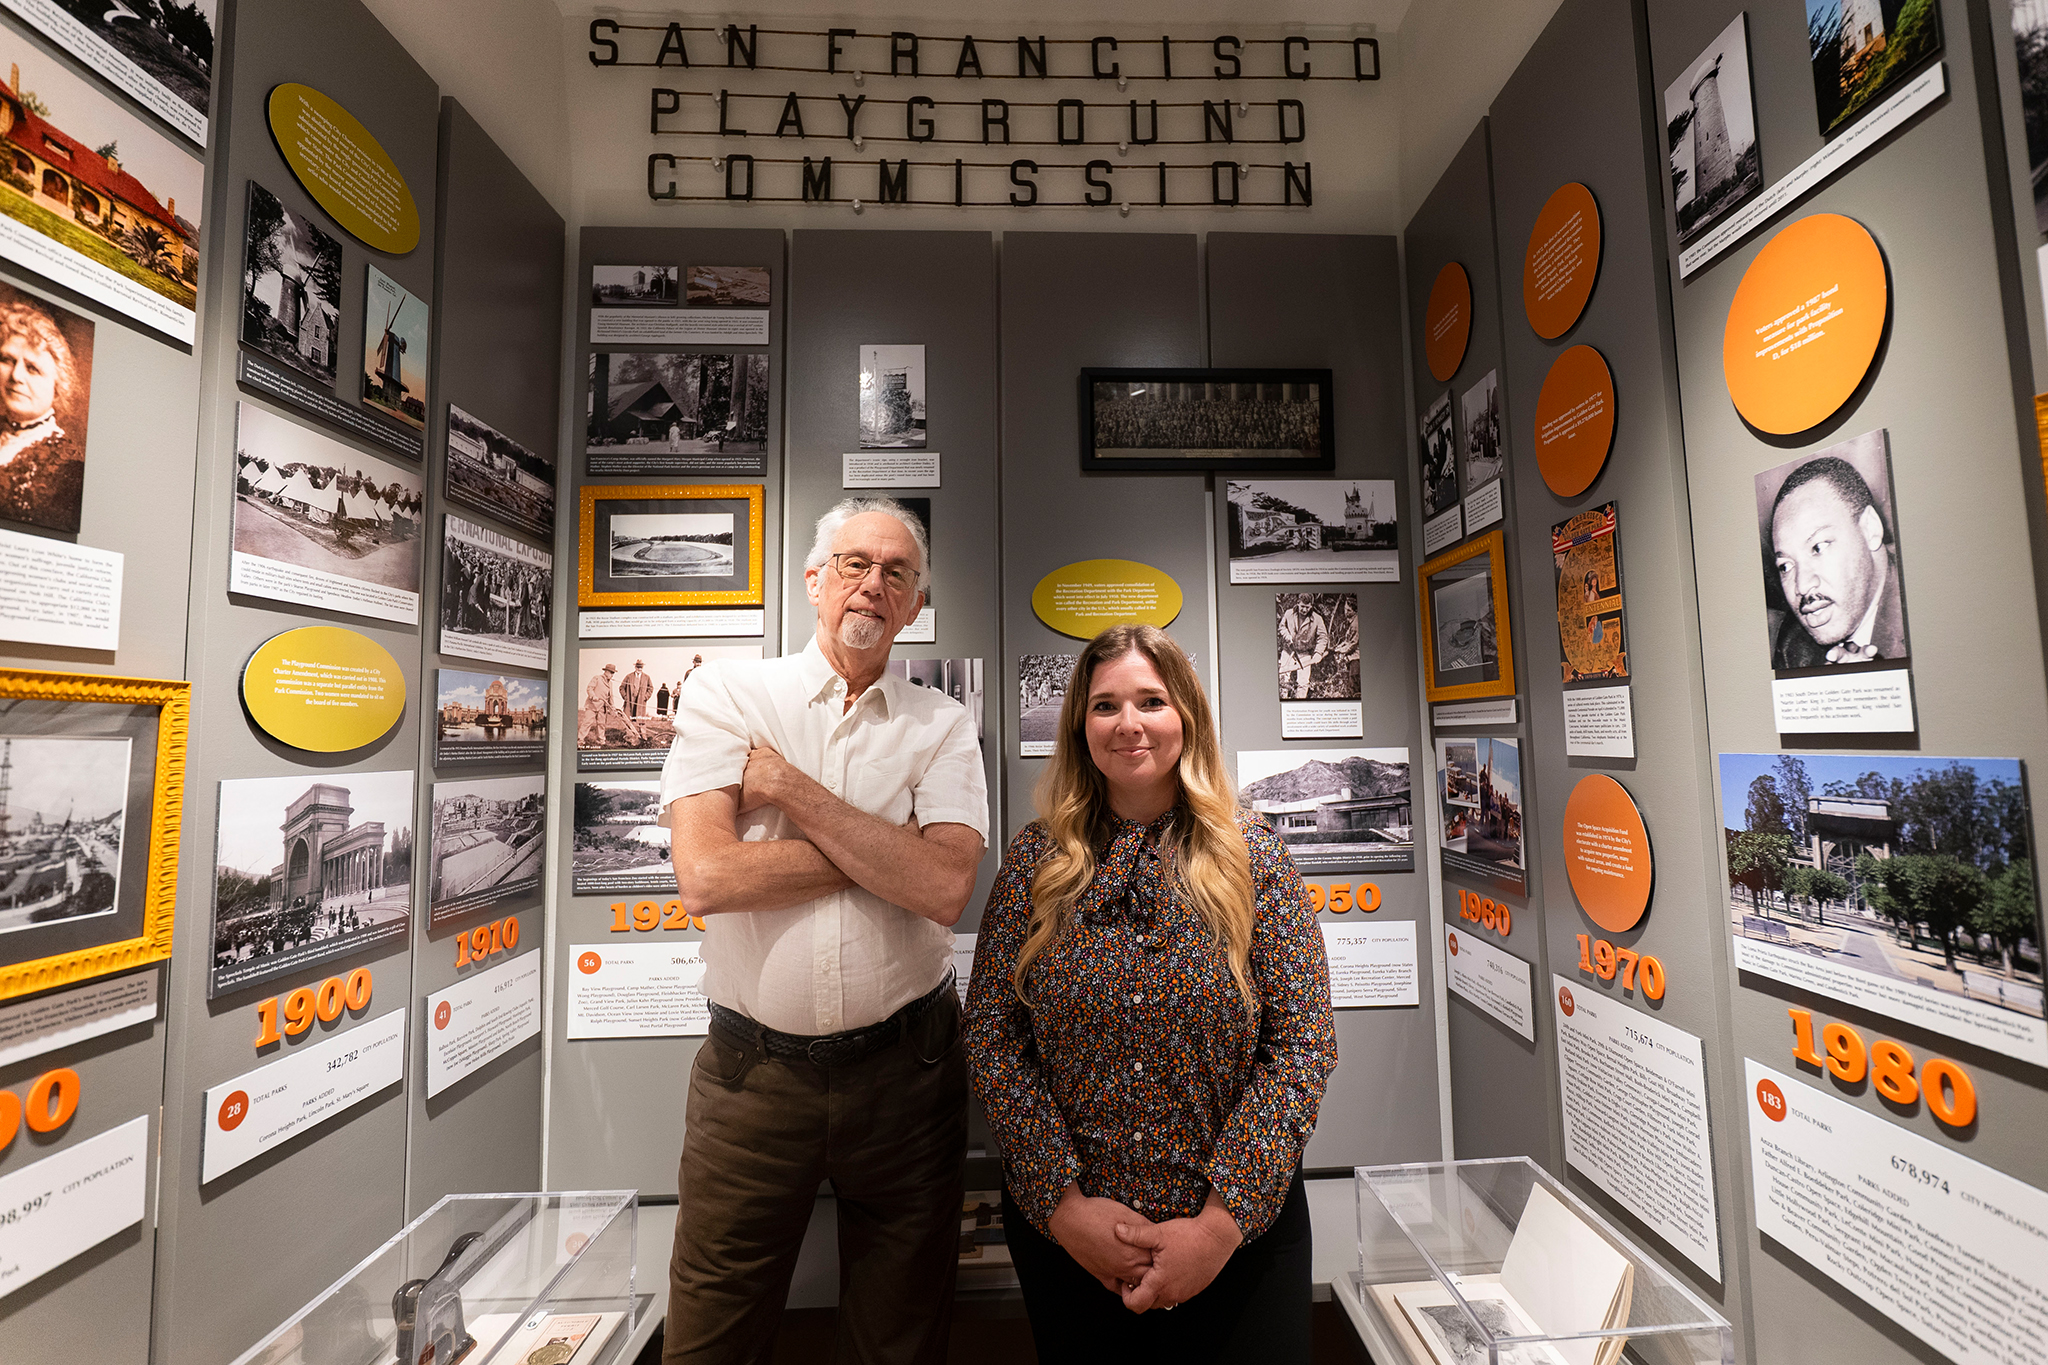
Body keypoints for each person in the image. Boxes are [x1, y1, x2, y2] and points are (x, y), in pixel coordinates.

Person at [661, 496, 989, 1365]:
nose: (872, 585)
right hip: (750, 1082)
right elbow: (708, 877)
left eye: (897, 573)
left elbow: (948, 886)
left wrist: (797, 793)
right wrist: (890, 847)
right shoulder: (729, 693)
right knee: (710, 1337)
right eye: (854, 563)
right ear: (814, 580)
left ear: (917, 603)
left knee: (900, 1339)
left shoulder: (944, 723)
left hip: (908, 1080)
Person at [963, 625, 1335, 1361]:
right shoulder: (1035, 862)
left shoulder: (1253, 854)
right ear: (1080, 725)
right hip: (1074, 1250)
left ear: (1185, 715)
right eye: (1105, 705)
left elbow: (1303, 1045)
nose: (1128, 723)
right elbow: (991, 1039)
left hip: (1240, 1242)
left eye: (1150, 700)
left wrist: (1215, 1228)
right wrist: (1065, 1208)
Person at [1766, 456, 1907, 668]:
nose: (1802, 586)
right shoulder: (1793, 644)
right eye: (1785, 566)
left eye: (1818, 547)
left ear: (1870, 530)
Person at [0, 297, 85, 534]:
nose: (16, 375)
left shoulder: (68, 469)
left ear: (58, 385)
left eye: (32, 368)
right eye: (7, 360)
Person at [1276, 594, 1329, 699]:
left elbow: (1323, 637)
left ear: (1311, 606)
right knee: (1283, 679)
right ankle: (1283, 701)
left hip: (1305, 653)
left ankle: (1299, 704)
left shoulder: (1317, 619)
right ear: (1298, 604)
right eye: (1302, 606)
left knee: (1303, 682)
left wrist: (1318, 652)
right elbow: (1282, 627)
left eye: (1307, 607)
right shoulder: (1289, 614)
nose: (1304, 610)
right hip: (1288, 651)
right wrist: (1287, 636)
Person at [579, 662, 618, 748]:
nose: (612, 675)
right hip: (592, 705)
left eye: (613, 673)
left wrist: (613, 706)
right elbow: (589, 688)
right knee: (587, 722)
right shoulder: (597, 678)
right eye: (611, 673)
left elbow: (610, 696)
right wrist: (593, 696)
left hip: (602, 707)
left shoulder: (610, 683)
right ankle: (580, 740)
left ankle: (601, 740)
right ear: (606, 672)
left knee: (601, 724)